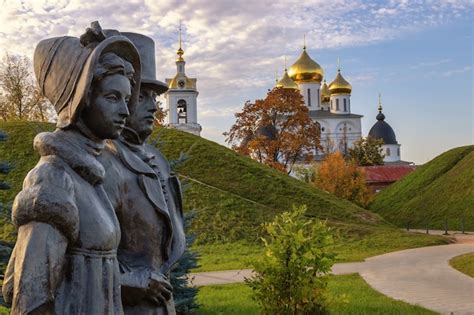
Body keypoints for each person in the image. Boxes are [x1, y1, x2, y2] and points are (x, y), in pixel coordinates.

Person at [2, 22, 141, 315]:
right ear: (81, 101)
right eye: (112, 98)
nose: (126, 111)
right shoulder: (53, 177)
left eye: (126, 100)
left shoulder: (88, 177)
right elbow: (31, 301)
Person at [99, 32, 185, 315]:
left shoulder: (157, 161)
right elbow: (81, 261)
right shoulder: (102, 164)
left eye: (155, 97)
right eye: (143, 96)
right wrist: (131, 281)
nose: (154, 106)